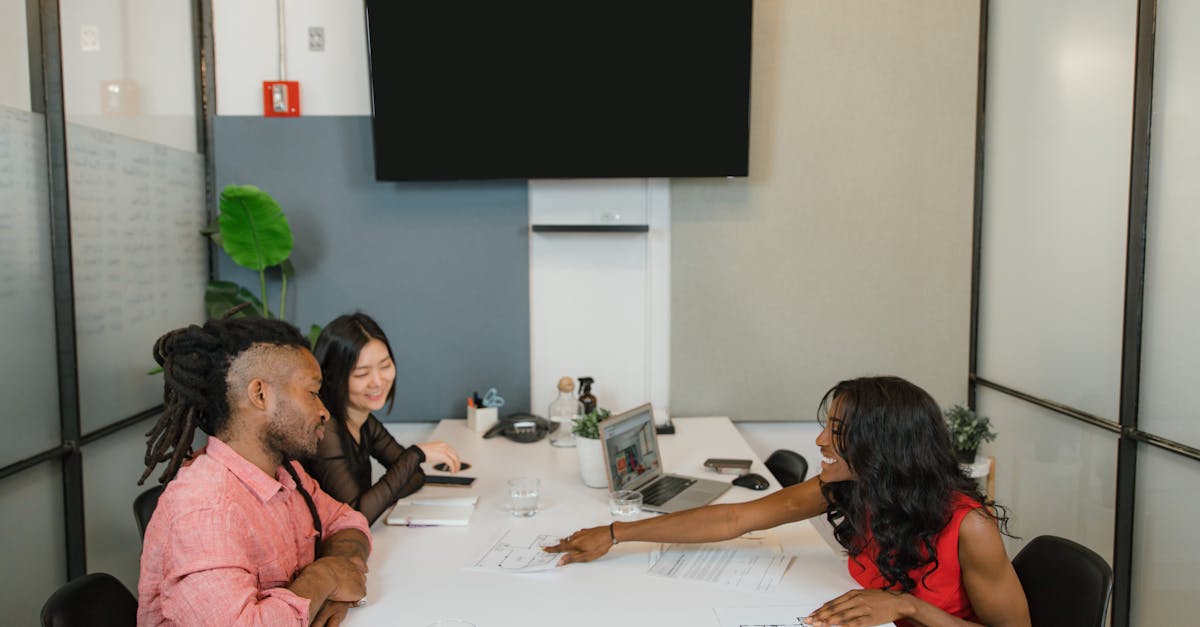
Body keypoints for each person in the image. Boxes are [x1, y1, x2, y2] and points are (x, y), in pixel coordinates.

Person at [546, 376, 1031, 627]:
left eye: (837, 433)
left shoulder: (970, 528)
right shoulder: (851, 488)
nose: (819, 440)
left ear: (883, 450)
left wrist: (909, 607)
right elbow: (735, 517)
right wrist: (616, 534)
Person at [137, 318, 372, 627]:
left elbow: (346, 521)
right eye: (312, 392)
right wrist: (324, 577)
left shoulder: (288, 475)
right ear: (260, 395)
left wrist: (338, 567)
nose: (323, 410)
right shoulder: (206, 508)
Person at [303, 312, 462, 525]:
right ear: (332, 377)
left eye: (385, 366)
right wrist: (416, 454)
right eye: (361, 374)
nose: (377, 381)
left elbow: (415, 476)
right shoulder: (325, 430)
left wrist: (379, 497)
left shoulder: (364, 421)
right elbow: (356, 514)